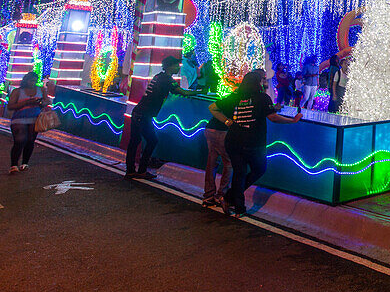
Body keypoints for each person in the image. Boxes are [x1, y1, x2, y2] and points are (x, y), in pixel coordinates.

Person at [209, 68, 301, 216]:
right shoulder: (262, 98)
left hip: (233, 141)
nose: (264, 82)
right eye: (262, 80)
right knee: (259, 169)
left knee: (239, 173)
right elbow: (273, 117)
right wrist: (293, 120)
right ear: (257, 83)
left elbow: (213, 108)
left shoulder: (235, 97)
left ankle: (235, 205)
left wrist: (227, 121)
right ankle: (230, 200)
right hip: (253, 143)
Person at [126, 56, 202, 180]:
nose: (178, 68)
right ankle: (136, 171)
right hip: (143, 115)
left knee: (142, 141)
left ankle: (136, 171)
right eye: (176, 66)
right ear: (170, 66)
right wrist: (199, 92)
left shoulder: (159, 76)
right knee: (144, 141)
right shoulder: (166, 79)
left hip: (141, 113)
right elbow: (183, 92)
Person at [7, 71, 46, 173]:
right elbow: (10, 106)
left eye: (35, 81)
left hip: (34, 119)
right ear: (26, 80)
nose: (33, 83)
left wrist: (41, 103)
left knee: (30, 141)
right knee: (19, 141)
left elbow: (47, 102)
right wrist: (26, 102)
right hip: (19, 119)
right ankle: (14, 165)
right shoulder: (18, 91)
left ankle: (25, 163)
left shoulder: (40, 90)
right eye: (31, 81)